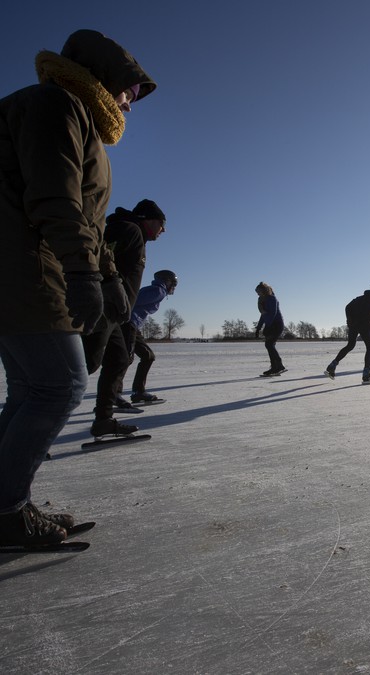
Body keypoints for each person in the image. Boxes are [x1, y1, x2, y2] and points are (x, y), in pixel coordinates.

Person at [0, 29, 155, 546]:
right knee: (60, 384)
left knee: (29, 388)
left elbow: (90, 221)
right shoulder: (56, 106)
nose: (130, 105)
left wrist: (107, 276)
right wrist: (85, 275)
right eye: (128, 92)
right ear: (103, 80)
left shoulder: (79, 119)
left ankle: (5, 497)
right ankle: (6, 507)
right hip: (22, 263)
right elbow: (56, 203)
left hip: (30, 262)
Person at [82, 199, 167, 434]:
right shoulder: (128, 229)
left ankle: (103, 420)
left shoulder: (134, 234)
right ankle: (35, 428)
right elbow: (97, 257)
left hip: (117, 315)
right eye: (161, 224)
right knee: (85, 364)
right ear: (148, 219)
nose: (163, 230)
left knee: (119, 359)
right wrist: (108, 289)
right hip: (103, 308)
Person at [121, 270, 178, 402]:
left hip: (132, 325)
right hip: (128, 324)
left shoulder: (154, 289)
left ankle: (138, 392)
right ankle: (114, 395)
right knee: (124, 360)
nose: (173, 287)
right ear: (167, 281)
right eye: (173, 284)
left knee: (147, 356)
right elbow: (131, 302)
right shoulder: (158, 291)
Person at [326, 281, 370, 383]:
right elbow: (369, 312)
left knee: (350, 345)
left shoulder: (359, 298)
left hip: (354, 325)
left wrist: (350, 320)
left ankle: (333, 365)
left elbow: (347, 307)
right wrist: (361, 322)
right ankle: (366, 375)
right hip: (365, 326)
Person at [255, 282, 286, 376]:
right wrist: (258, 328)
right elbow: (263, 315)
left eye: (258, 291)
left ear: (263, 291)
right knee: (269, 345)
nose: (257, 294)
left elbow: (272, 313)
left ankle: (278, 366)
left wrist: (268, 326)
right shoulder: (262, 300)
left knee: (269, 344)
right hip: (270, 324)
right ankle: (275, 367)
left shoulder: (272, 299)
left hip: (276, 324)